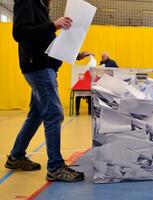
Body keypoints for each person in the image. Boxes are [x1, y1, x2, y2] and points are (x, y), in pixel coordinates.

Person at [6, 0, 93, 182]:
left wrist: (74, 54)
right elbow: (19, 32)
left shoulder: (40, 5)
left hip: (43, 67)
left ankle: (16, 156)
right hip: (38, 68)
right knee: (54, 114)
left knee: (36, 115)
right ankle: (55, 166)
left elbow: (48, 41)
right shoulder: (26, 1)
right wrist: (53, 25)